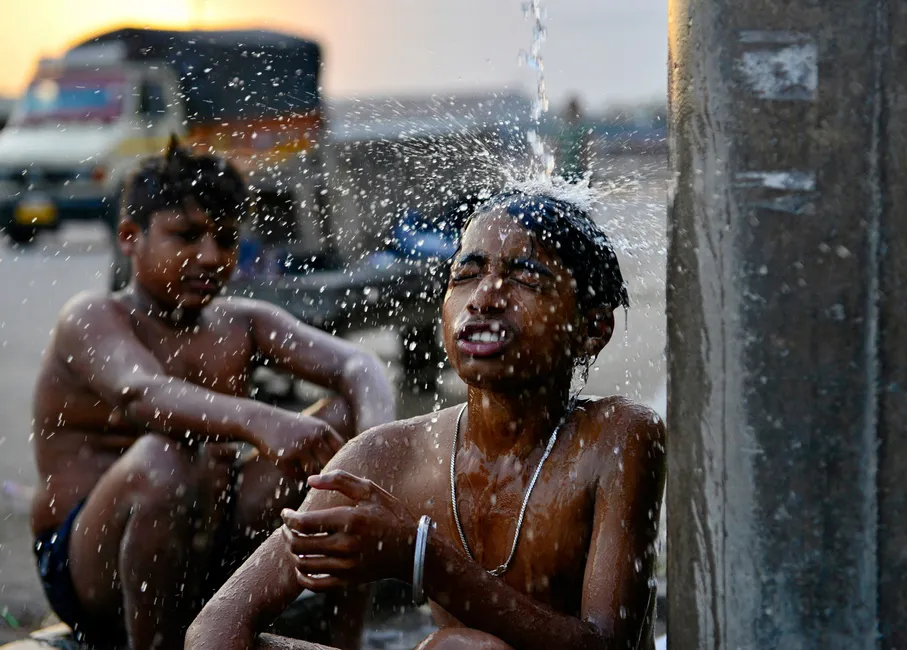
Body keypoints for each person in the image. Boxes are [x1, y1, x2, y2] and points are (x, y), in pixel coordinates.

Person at [187, 190, 667, 649]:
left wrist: (419, 556)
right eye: (466, 274)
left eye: (525, 278)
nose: (484, 298)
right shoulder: (386, 456)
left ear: (592, 329)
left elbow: (609, 644)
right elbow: (216, 624)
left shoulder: (618, 438)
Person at [30, 137, 396, 650]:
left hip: (210, 545)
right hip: (93, 567)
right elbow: (142, 393)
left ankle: (343, 646)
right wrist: (262, 420)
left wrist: (374, 443)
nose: (209, 256)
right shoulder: (94, 318)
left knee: (348, 437)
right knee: (169, 452)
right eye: (186, 236)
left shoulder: (241, 322)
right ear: (130, 237)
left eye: (225, 240)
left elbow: (357, 364)